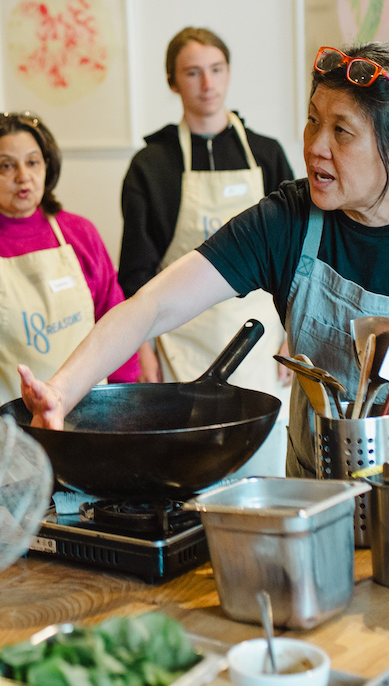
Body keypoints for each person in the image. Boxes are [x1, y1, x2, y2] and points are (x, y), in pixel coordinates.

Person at [22, 43, 389, 478]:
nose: (315, 145)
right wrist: (63, 390)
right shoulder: (289, 219)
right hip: (322, 503)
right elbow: (152, 306)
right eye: (314, 120)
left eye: (343, 132)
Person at [0, 112, 145, 499]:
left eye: (33, 162)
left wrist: (126, 435)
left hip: (88, 436)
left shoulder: (80, 234)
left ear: (47, 166)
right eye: (6, 166)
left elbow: (119, 334)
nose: (23, 176)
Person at [118, 27, 295, 472]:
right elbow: (137, 269)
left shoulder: (266, 153)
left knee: (263, 465)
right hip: (182, 340)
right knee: (193, 467)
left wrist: (296, 330)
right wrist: (144, 346)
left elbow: (298, 254)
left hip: (263, 342)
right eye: (192, 73)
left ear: (229, 73)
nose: (207, 84)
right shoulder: (152, 165)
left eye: (216, 70)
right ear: (173, 82)